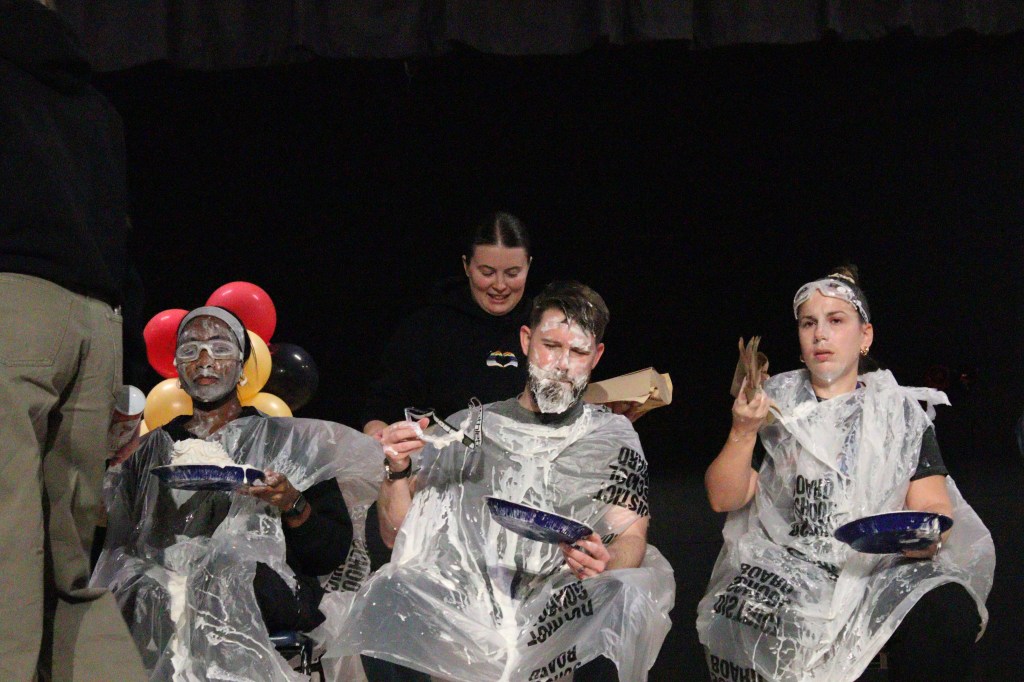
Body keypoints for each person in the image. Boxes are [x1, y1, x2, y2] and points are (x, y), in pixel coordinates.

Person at [318, 281, 675, 682]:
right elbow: (396, 534)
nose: (562, 364)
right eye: (551, 345)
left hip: (556, 616)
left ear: (597, 356)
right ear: (525, 340)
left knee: (621, 596)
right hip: (464, 619)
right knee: (387, 594)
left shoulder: (610, 437)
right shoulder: (468, 429)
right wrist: (397, 470)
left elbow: (631, 537)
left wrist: (605, 561)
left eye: (578, 352)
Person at [697, 267, 995, 681]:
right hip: (789, 563)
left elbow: (932, 503)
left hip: (879, 565)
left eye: (836, 321)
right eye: (809, 323)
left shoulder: (898, 414)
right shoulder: (774, 405)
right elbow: (724, 498)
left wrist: (923, 537)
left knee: (943, 608)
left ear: (864, 335)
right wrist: (742, 431)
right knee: (745, 615)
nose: (820, 334)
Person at [91, 307, 381, 680]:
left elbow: (329, 552)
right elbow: (111, 538)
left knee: (216, 572)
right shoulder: (152, 450)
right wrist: (108, 474)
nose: (205, 359)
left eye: (220, 347)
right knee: (143, 589)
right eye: (191, 349)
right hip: (162, 596)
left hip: (264, 590)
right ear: (177, 367)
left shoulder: (287, 443)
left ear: (243, 366)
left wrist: (291, 503)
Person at [0, 0, 146, 678]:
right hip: (97, 322)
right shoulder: (98, 106)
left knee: (8, 535)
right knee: (73, 556)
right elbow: (122, 234)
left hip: (15, 305)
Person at [361, 211, 533, 438]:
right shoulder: (427, 328)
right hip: (440, 458)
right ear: (466, 266)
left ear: (528, 266)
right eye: (487, 272)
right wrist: (380, 436)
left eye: (512, 273)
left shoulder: (545, 328)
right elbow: (381, 407)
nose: (500, 285)